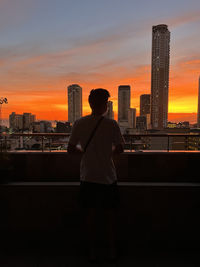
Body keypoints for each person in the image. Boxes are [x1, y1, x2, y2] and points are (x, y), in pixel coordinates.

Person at [67, 88, 124, 262]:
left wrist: (84, 151)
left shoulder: (79, 123)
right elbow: (120, 148)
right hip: (108, 177)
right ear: (105, 105)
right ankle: (112, 250)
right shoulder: (112, 124)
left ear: (90, 103)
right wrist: (107, 152)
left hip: (88, 176)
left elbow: (70, 149)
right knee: (109, 218)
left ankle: (91, 251)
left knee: (90, 216)